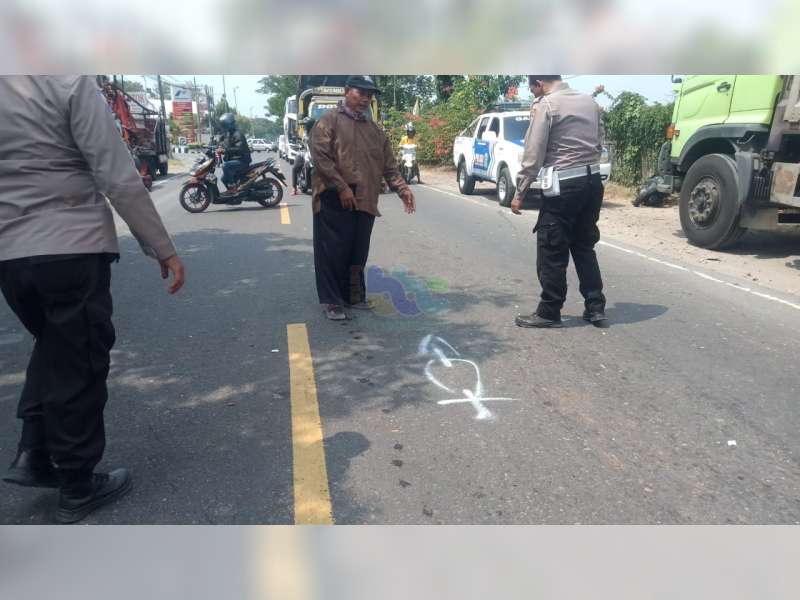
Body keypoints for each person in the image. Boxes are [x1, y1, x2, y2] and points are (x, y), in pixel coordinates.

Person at [0, 76, 185, 523]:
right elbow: (116, 174)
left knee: (53, 347)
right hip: (69, 244)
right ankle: (78, 486)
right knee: (79, 363)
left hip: (10, 255)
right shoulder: (65, 80)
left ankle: (34, 451)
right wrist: (162, 247)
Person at [310, 75, 416, 321]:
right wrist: (341, 187)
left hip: (365, 198)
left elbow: (389, 167)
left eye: (370, 95)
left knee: (358, 251)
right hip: (333, 198)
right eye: (361, 93)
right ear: (347, 91)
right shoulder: (328, 122)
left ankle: (354, 296)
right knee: (333, 251)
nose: (366, 99)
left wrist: (402, 189)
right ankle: (332, 301)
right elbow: (321, 159)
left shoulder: (375, 130)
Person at [510, 75, 608, 328]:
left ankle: (549, 311)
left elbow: (533, 153)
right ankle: (596, 307)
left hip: (563, 186)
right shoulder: (589, 102)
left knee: (552, 248)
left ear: (539, 82)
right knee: (584, 245)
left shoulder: (547, 105)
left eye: (533, 90)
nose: (534, 95)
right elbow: (598, 143)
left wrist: (520, 192)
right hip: (593, 182)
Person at [217, 112, 251, 196]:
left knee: (226, 166)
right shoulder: (228, 134)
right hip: (235, 159)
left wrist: (224, 151)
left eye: (224, 125)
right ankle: (234, 196)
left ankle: (233, 189)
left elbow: (239, 149)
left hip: (242, 160)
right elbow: (223, 144)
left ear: (229, 124)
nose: (223, 127)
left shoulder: (238, 134)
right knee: (224, 179)